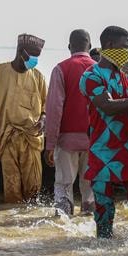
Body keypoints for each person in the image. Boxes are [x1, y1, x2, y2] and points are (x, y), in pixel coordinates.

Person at [79, 26, 128, 238]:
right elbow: (108, 106)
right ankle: (103, 250)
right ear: (110, 45)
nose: (127, 52)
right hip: (102, 150)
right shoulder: (91, 75)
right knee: (103, 210)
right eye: (125, 47)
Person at [0, 34, 47, 203]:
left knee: (33, 189)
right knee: (11, 188)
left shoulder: (38, 76)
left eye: (38, 56)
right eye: (33, 55)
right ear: (21, 52)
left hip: (31, 138)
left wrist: (43, 119)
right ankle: (11, 220)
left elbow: (46, 106)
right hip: (6, 136)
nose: (35, 59)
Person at [44, 30, 96, 216]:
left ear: (69, 47)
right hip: (95, 141)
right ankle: (89, 224)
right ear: (89, 46)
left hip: (67, 140)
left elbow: (54, 109)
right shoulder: (99, 69)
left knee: (64, 185)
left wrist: (50, 144)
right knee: (90, 189)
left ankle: (62, 224)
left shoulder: (61, 69)